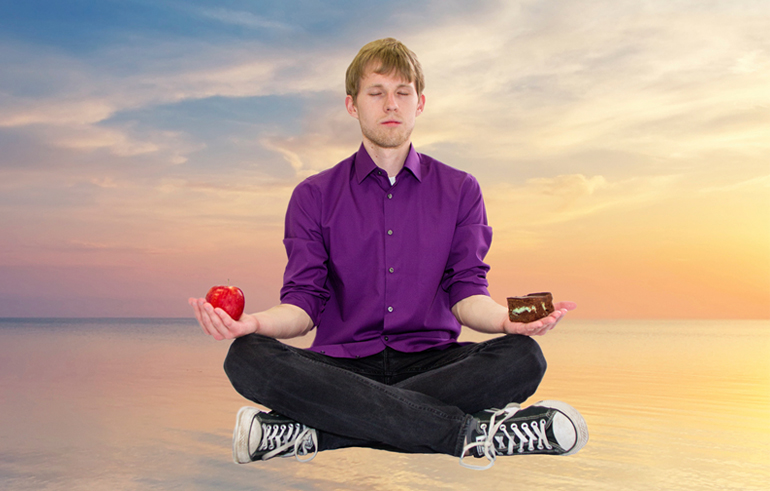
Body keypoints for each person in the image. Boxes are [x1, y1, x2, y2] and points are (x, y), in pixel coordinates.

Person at [189, 37, 588, 470]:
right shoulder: (312, 195)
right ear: (352, 105)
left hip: (433, 364)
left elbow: (466, 291)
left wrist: (505, 320)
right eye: (376, 93)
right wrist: (253, 323)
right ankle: (468, 435)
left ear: (420, 103)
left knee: (522, 357)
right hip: (340, 369)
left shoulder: (461, 189)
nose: (390, 105)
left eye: (402, 93)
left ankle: (313, 432)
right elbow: (304, 304)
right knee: (249, 357)